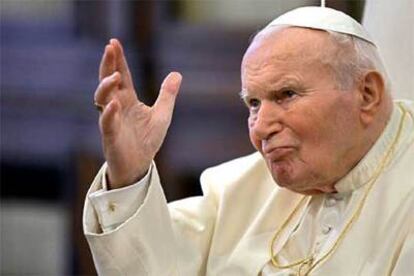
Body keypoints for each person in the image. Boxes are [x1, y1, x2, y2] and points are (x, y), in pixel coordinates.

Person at [83, 6, 413, 275]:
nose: (261, 127)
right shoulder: (238, 189)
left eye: (286, 94)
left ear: (367, 95)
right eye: (253, 103)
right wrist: (130, 173)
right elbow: (155, 265)